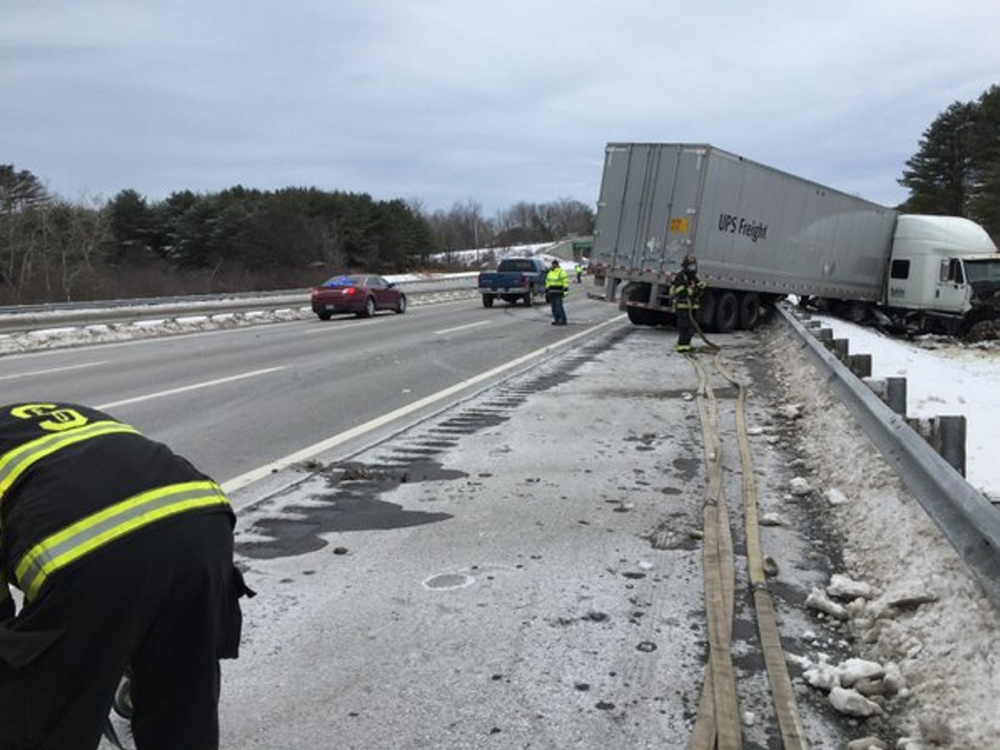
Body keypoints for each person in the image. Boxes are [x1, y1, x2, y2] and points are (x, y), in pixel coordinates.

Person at [0, 402, 254, 750]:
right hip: (203, 522)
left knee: (45, 716)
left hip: (89, 554)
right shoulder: (45, 414)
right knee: (182, 695)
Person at [670, 255, 706, 352]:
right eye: (690, 266)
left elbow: (697, 288)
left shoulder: (693, 277)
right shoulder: (681, 276)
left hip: (692, 307)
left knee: (692, 327)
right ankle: (682, 347)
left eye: (693, 266)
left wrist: (700, 287)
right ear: (685, 266)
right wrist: (691, 291)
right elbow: (678, 291)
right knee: (684, 327)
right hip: (683, 306)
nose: (692, 269)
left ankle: (686, 344)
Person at [545, 259, 569, 325]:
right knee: (553, 308)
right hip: (552, 292)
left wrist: (565, 291)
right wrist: (547, 290)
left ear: (557, 265)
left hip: (559, 292)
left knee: (559, 307)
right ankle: (557, 319)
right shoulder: (550, 272)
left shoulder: (561, 272)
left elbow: (565, 282)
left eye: (555, 264)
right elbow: (547, 281)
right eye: (553, 264)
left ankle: (563, 320)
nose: (554, 265)